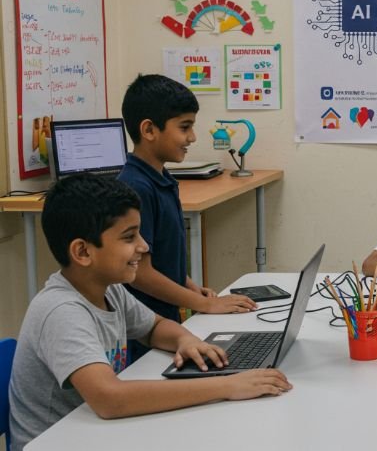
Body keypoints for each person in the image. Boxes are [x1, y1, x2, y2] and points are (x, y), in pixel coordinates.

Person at [7, 175, 291, 451]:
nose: (143, 246)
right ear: (82, 252)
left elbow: (153, 328)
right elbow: (110, 399)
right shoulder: (61, 312)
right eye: (129, 237)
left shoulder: (109, 289)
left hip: (100, 434)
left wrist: (185, 340)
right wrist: (225, 386)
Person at [118, 75, 255, 361]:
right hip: (147, 330)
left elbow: (163, 254)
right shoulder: (136, 187)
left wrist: (193, 288)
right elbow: (140, 275)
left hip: (168, 318)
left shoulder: (161, 178)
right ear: (149, 130)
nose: (192, 137)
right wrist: (202, 305)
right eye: (185, 127)